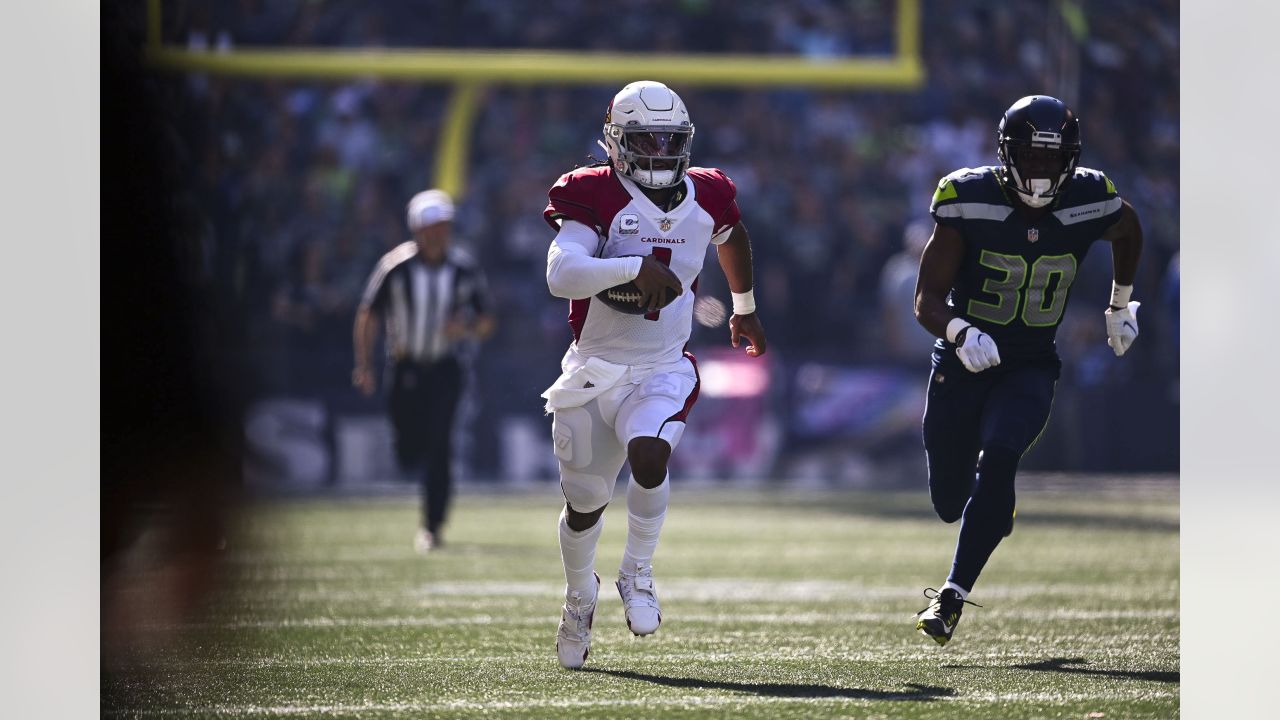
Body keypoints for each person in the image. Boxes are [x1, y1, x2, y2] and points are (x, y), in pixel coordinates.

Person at [541, 80, 767, 669]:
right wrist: (631, 267)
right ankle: (578, 595)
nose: (661, 152)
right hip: (594, 370)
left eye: (672, 141)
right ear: (617, 141)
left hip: (663, 364)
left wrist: (742, 309)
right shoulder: (593, 192)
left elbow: (732, 234)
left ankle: (636, 572)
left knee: (650, 455)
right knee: (584, 505)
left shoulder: (710, 193)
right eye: (648, 139)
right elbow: (562, 274)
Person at [911, 95, 1143, 645]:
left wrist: (1121, 303)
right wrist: (961, 332)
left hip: (1031, 364)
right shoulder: (967, 197)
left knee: (999, 461)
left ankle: (951, 596)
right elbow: (926, 299)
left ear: (1070, 157)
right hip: (964, 360)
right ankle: (991, 512)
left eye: (1050, 158)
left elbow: (1129, 229)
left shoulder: (1091, 195)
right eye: (1030, 157)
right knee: (949, 500)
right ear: (1005, 152)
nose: (1040, 170)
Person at [353, 189, 495, 553]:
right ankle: (422, 486)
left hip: (446, 368)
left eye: (445, 225)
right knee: (407, 446)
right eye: (434, 226)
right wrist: (364, 364)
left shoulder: (463, 268)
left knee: (440, 445)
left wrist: (463, 329)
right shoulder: (395, 267)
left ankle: (432, 525)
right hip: (404, 366)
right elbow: (369, 313)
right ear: (418, 229)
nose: (441, 233)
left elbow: (486, 321)